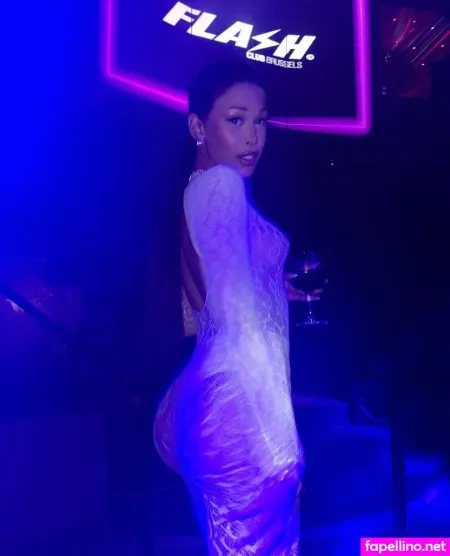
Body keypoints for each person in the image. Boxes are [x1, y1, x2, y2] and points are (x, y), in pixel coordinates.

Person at [154, 61, 308, 554]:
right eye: (236, 119)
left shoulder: (197, 188)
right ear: (198, 126)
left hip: (210, 401)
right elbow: (238, 323)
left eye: (260, 121)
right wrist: (286, 450)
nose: (253, 137)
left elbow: (204, 304)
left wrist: (271, 285)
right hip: (238, 413)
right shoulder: (222, 186)